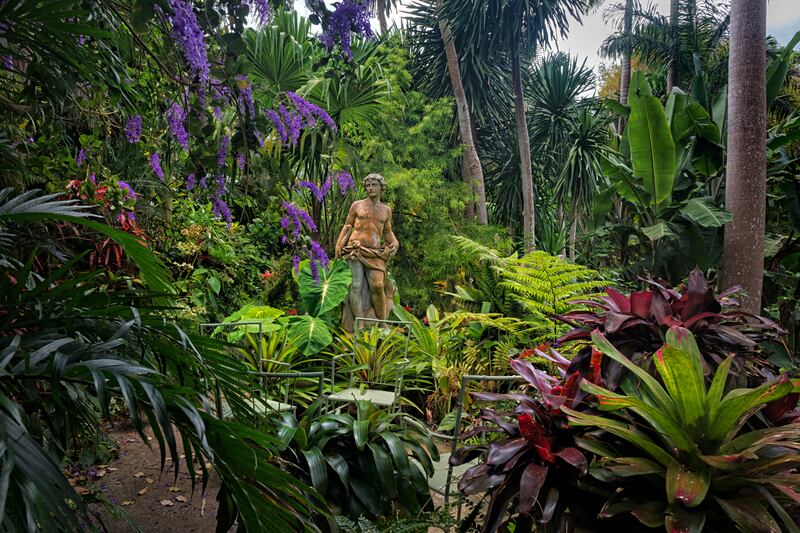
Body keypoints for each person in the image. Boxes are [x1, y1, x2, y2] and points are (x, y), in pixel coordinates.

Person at [335, 173, 399, 331]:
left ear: (381, 187)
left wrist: (395, 242)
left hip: (375, 253)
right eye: (368, 186)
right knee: (355, 286)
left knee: (378, 285)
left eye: (374, 185)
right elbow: (347, 225)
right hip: (355, 249)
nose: (370, 188)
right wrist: (338, 244)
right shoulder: (357, 205)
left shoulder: (386, 210)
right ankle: (359, 321)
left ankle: (382, 322)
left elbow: (387, 232)